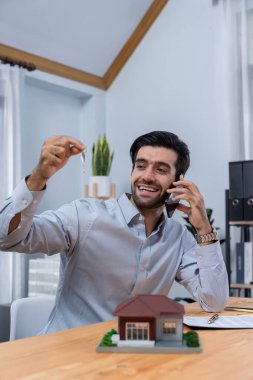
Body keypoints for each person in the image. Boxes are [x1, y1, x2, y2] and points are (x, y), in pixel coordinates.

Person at [0, 131, 229, 333]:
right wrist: (39, 177)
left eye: (161, 169)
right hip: (68, 354)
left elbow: (213, 302)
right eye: (141, 166)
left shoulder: (178, 238)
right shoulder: (84, 216)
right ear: (132, 171)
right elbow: (7, 239)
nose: (147, 176)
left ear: (177, 182)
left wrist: (203, 228)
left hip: (130, 355)